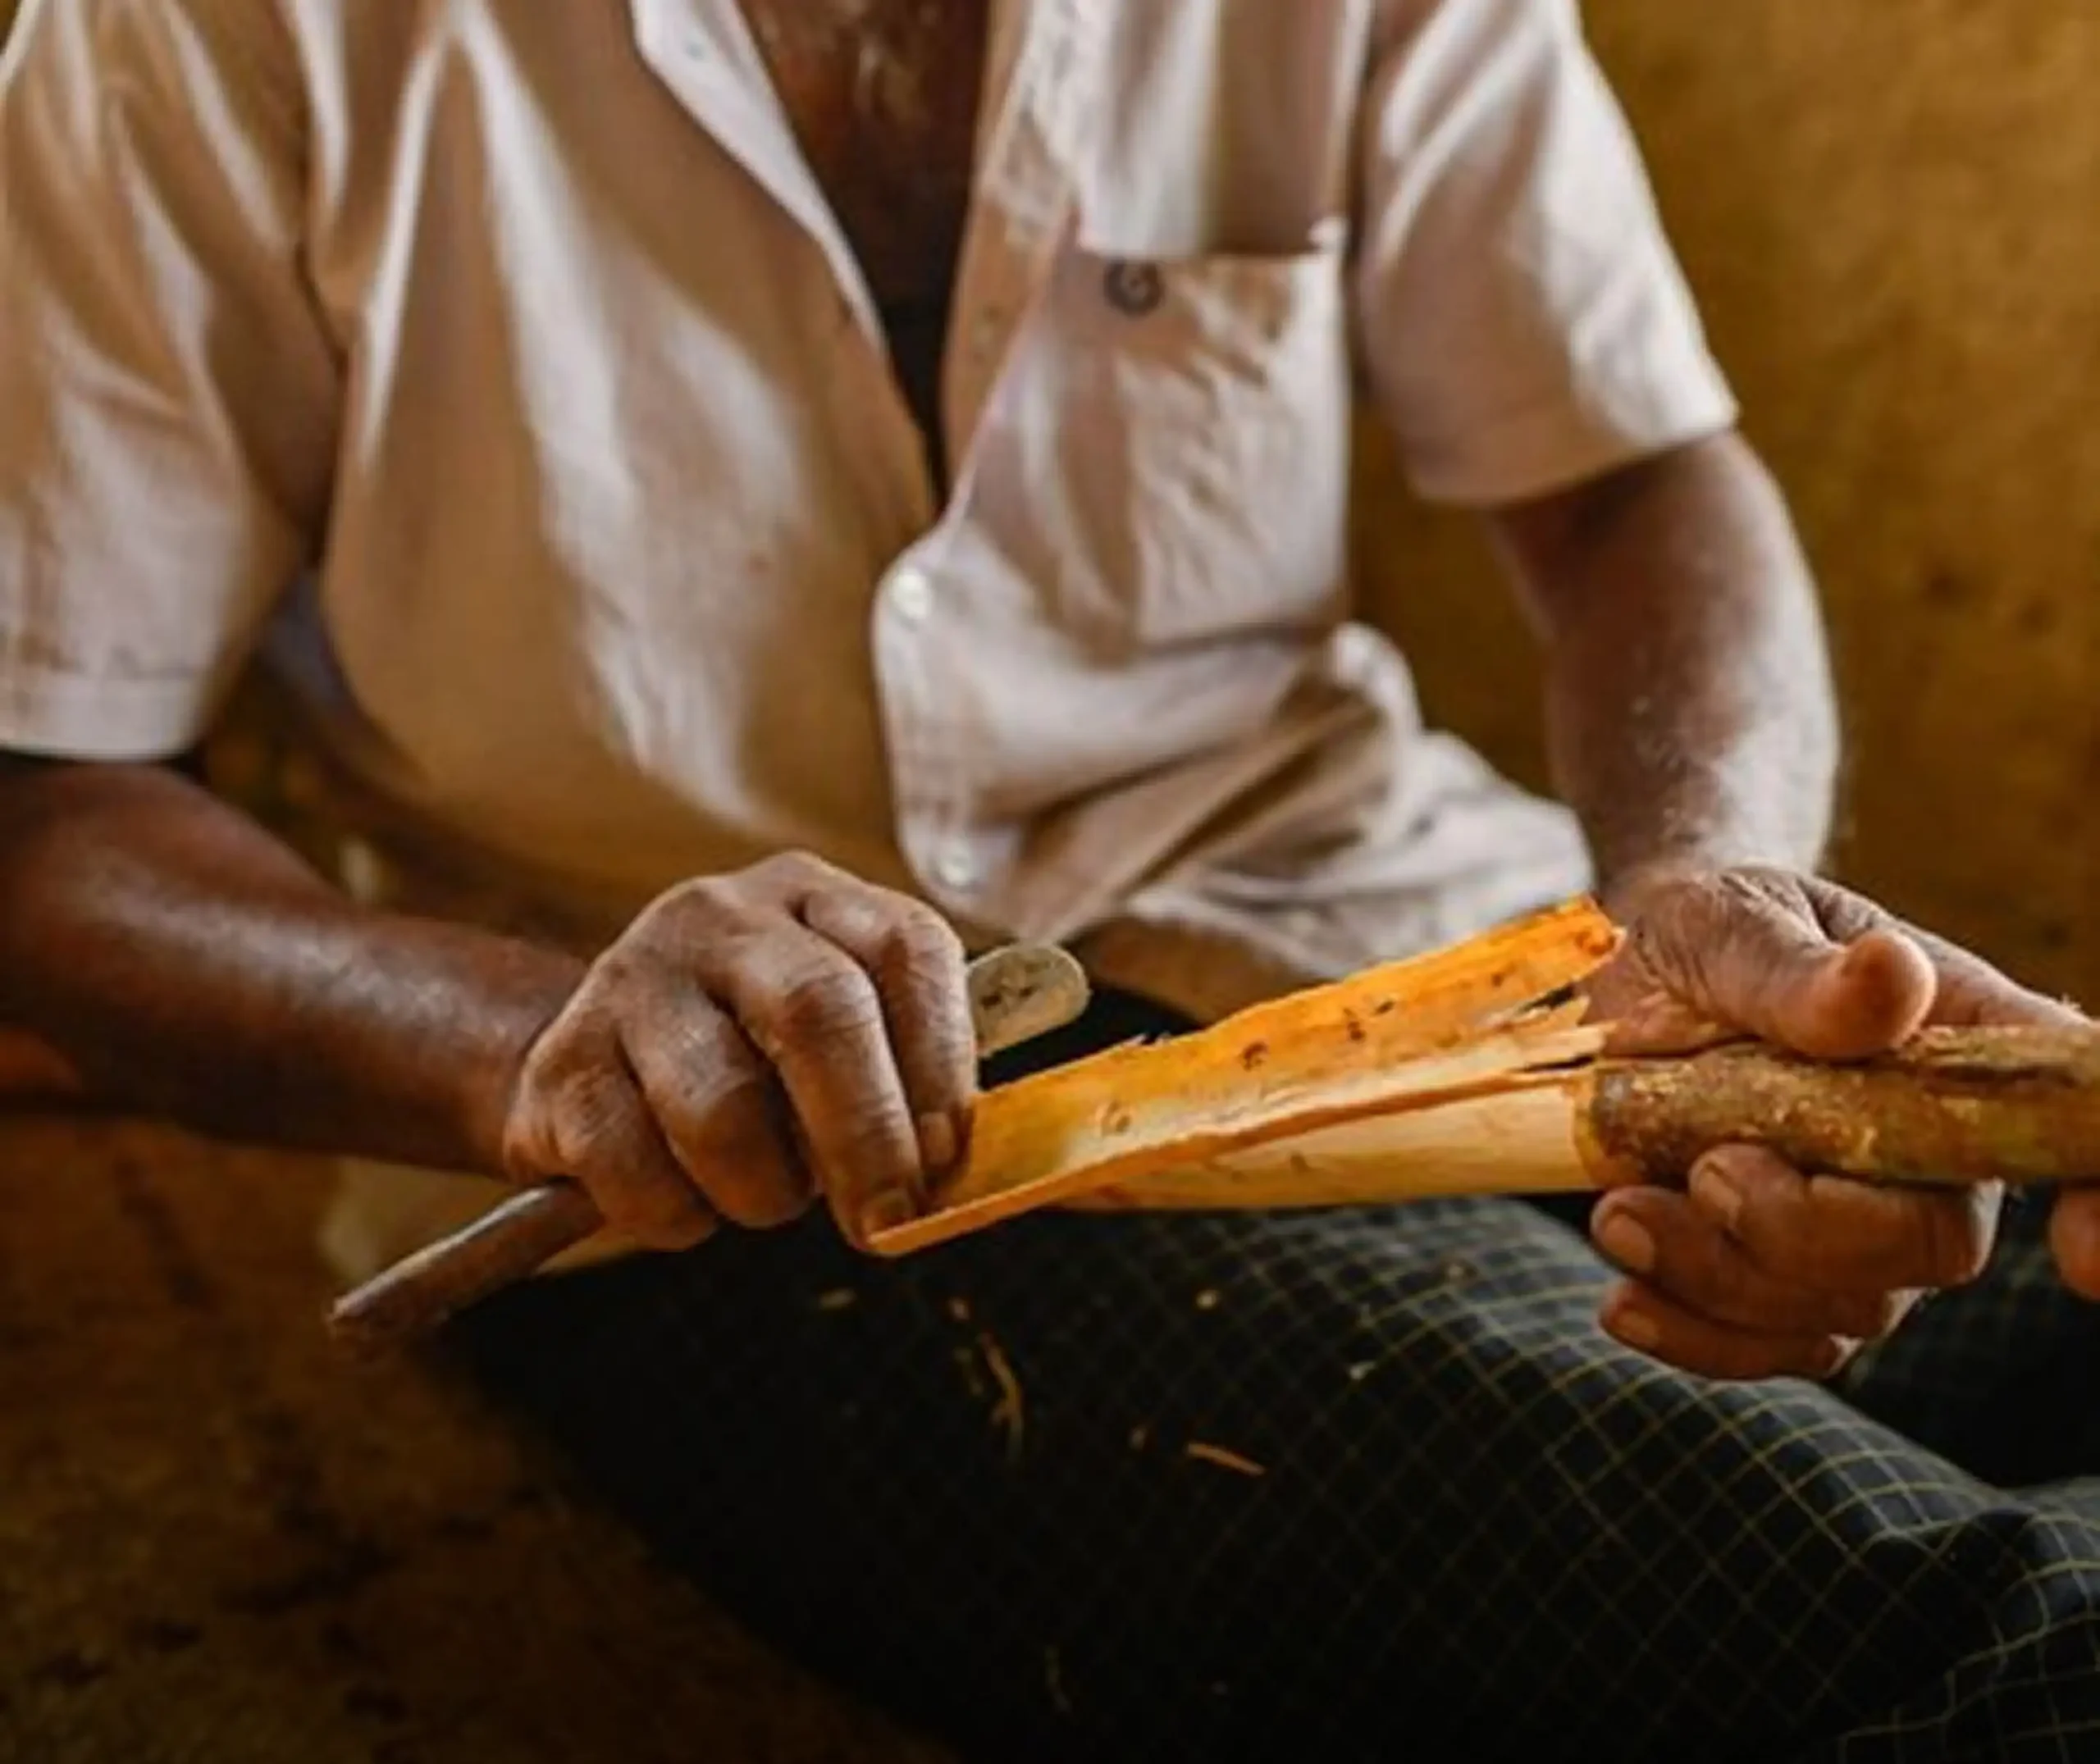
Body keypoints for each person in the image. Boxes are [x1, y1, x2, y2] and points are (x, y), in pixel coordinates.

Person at [2, 1, 2097, 1757]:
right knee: (1947, 1636)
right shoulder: (199, 34)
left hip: (1392, 922)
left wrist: (1704, 874)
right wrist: (531, 1048)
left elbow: (1628, 469)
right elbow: (44, 808)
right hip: (760, 1166)